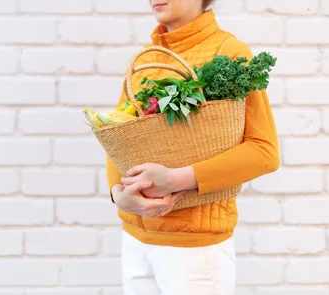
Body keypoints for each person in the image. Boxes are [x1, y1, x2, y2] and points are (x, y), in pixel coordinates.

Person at [107, 0, 280, 294]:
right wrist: (118, 195)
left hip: (194, 249)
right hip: (135, 240)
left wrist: (176, 179)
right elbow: (118, 135)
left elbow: (264, 150)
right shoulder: (145, 61)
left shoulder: (229, 52)